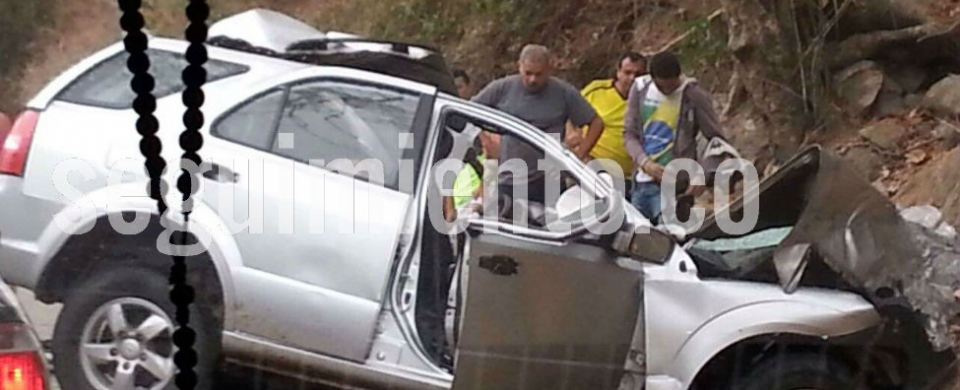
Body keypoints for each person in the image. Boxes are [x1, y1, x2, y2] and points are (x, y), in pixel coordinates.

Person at [472, 44, 604, 204]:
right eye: (528, 73)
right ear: (519, 66)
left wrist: (578, 156)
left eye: (539, 74)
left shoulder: (563, 92)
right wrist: (485, 140)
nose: (533, 79)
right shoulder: (502, 88)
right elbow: (469, 112)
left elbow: (596, 123)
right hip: (510, 177)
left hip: (550, 179)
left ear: (549, 69)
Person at [623, 51, 726, 223]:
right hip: (641, 182)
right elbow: (629, 134)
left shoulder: (693, 95)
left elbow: (717, 140)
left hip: (675, 186)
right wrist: (644, 162)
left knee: (668, 237)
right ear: (653, 79)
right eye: (662, 87)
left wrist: (704, 173)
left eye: (672, 86)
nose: (668, 91)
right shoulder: (640, 89)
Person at [571, 52, 647, 194]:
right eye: (627, 72)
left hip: (631, 175)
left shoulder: (649, 99)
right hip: (594, 165)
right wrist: (576, 141)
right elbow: (569, 111)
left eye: (638, 74)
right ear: (618, 72)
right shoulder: (597, 90)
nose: (632, 78)